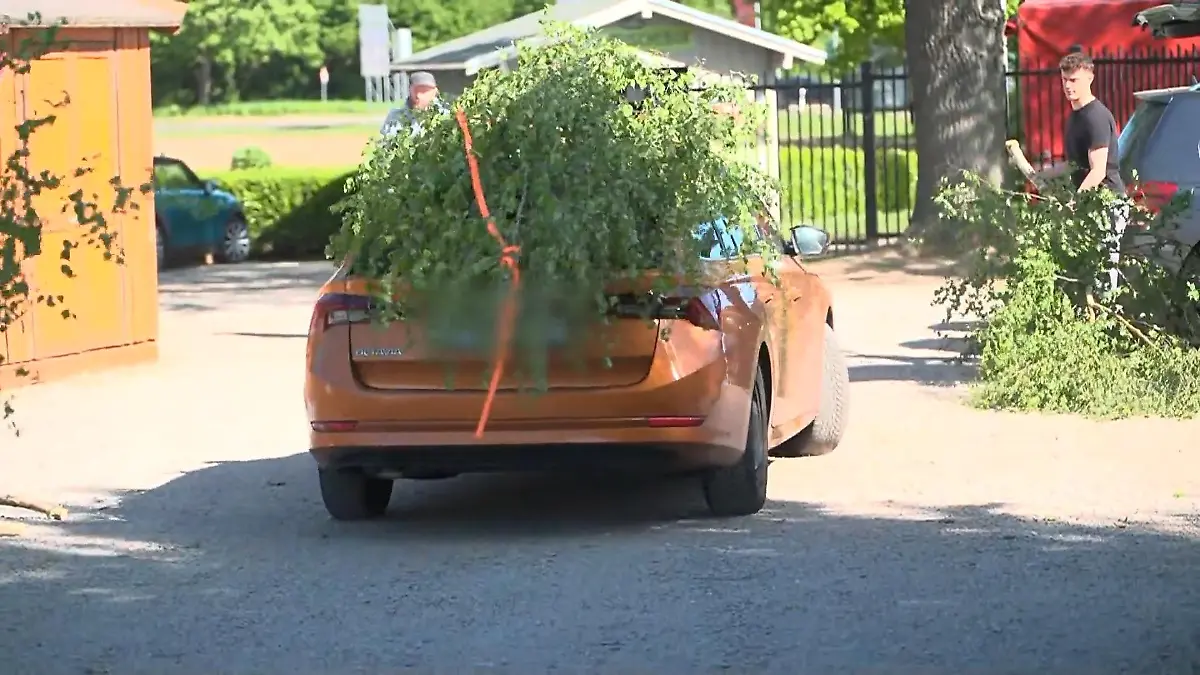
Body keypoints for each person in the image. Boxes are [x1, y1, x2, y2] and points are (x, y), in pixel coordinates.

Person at [1045, 48, 1129, 292]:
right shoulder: (1075, 116)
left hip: (1106, 202)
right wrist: (1042, 174)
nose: (1068, 86)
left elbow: (1098, 170)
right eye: (1064, 80)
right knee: (1084, 268)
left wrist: (1075, 202)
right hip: (1089, 202)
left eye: (1074, 80)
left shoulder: (1095, 117)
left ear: (1090, 79)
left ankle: (1106, 319)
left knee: (1103, 270)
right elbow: (1075, 164)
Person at [379, 71, 448, 138]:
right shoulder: (395, 116)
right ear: (409, 90)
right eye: (416, 90)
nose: (419, 95)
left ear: (435, 92)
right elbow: (384, 145)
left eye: (424, 91)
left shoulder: (446, 116)